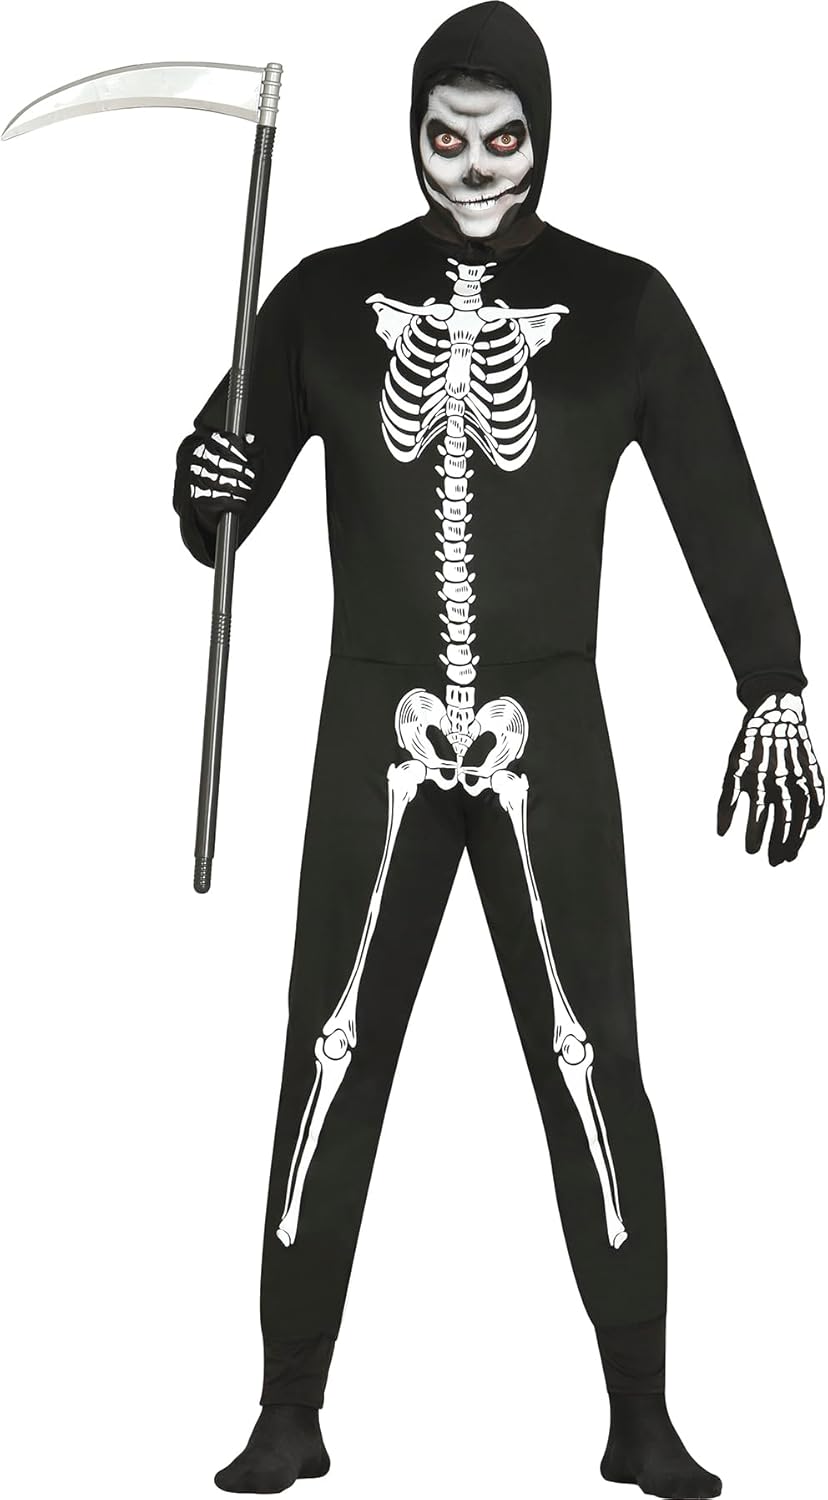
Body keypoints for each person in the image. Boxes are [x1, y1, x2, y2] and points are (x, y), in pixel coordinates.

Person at [172, 4, 823, 1494]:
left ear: (543, 135)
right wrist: (203, 478)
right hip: (375, 724)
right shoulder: (326, 298)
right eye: (445, 136)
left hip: (550, 726)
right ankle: (288, 1406)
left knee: (594, 1054)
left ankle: (642, 1414)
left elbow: (715, 492)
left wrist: (772, 682)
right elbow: (222, 503)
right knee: (328, 1051)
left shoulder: (621, 304)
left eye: (502, 137)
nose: (472, 166)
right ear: (412, 133)